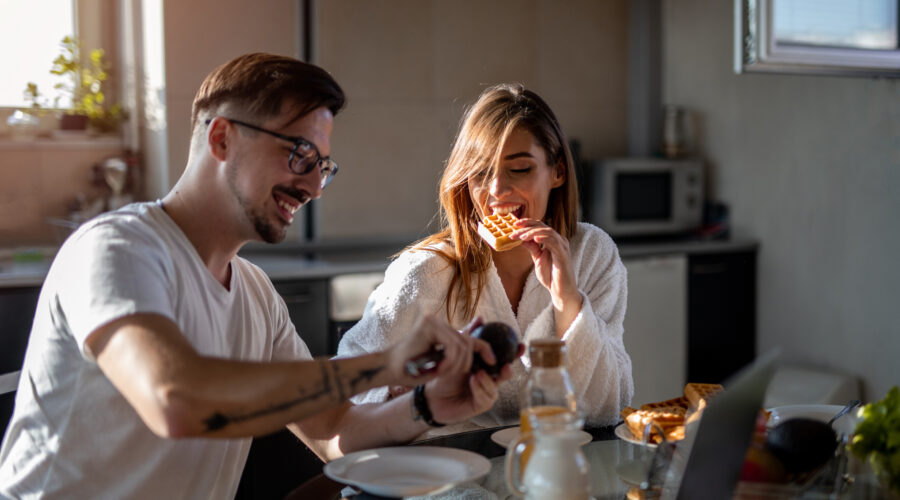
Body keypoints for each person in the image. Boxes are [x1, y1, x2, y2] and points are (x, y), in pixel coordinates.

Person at [0, 53, 513, 499]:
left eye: (323, 166)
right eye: (300, 155)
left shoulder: (254, 292)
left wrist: (426, 406)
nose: (313, 184)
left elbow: (332, 432)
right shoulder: (118, 249)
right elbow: (176, 401)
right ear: (221, 138)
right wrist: (385, 365)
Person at [337, 83, 633, 434]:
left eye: (519, 169)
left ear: (557, 172)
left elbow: (609, 406)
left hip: (556, 462)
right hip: (449, 473)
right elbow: (353, 389)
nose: (496, 190)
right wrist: (408, 395)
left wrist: (567, 299)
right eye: (480, 172)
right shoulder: (426, 272)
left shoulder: (591, 253)